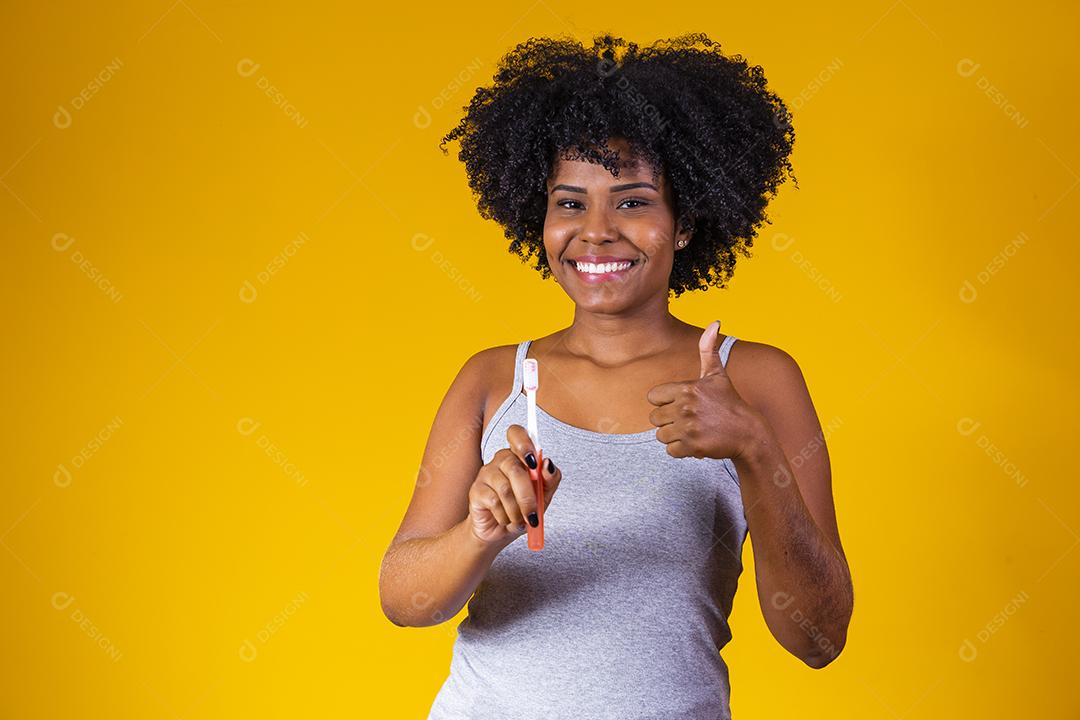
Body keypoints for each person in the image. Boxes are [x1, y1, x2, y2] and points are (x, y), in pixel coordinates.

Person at [378, 33, 853, 719]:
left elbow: (818, 637)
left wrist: (753, 449)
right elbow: (405, 601)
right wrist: (482, 528)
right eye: (570, 203)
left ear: (684, 221)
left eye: (631, 202)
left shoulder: (757, 380)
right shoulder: (492, 380)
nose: (596, 230)